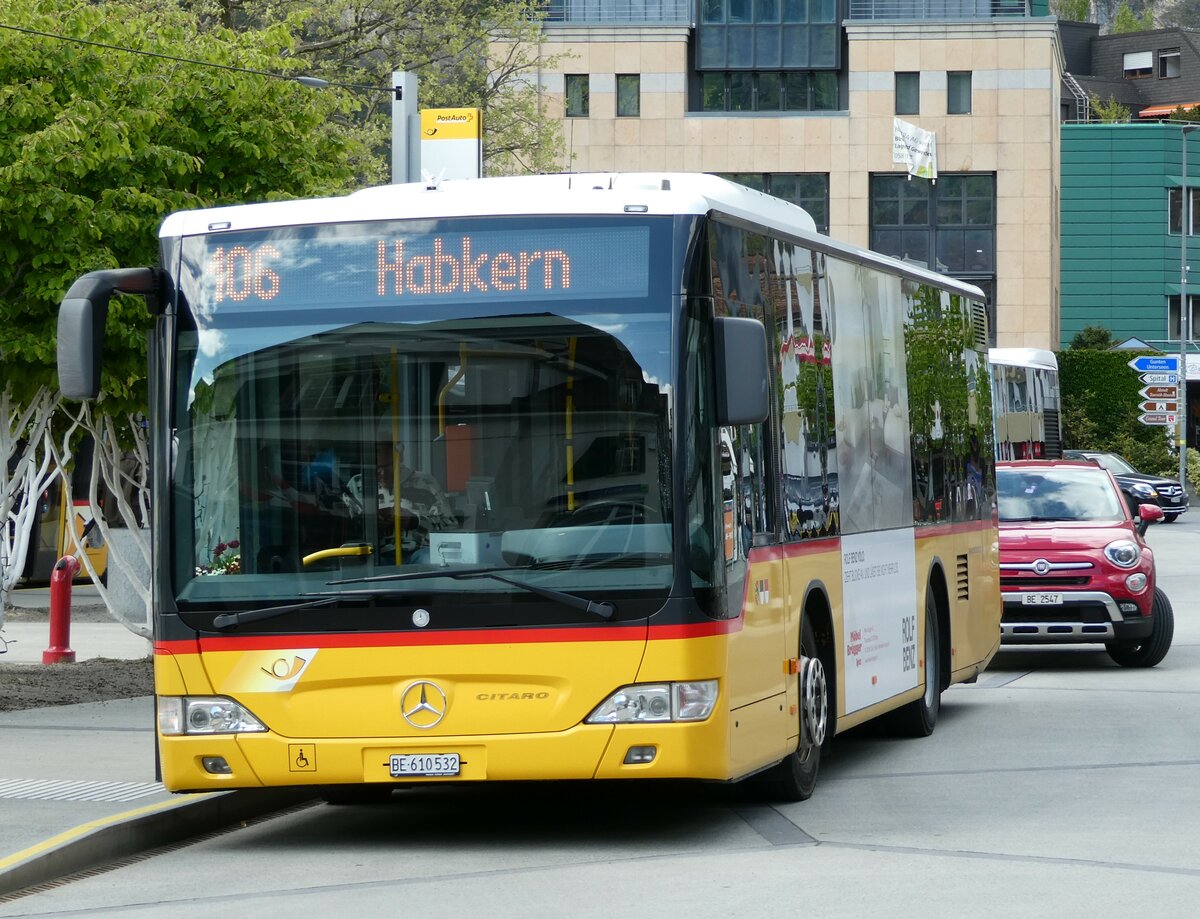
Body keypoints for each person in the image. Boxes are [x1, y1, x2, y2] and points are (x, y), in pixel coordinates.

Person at [344, 441, 456, 563]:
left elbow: (450, 525)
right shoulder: (356, 485)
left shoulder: (425, 483)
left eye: (387, 466)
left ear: (398, 460)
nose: (382, 473)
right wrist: (370, 523)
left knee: (433, 561)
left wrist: (416, 521)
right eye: (375, 468)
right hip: (375, 554)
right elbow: (346, 529)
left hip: (419, 551)